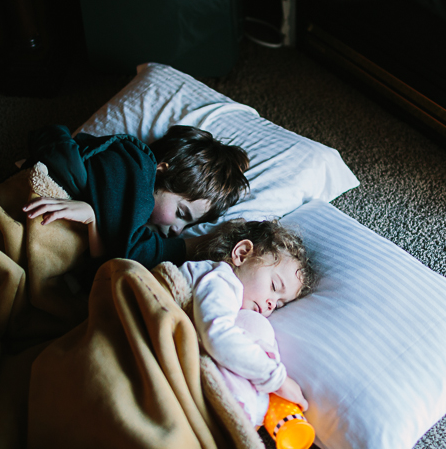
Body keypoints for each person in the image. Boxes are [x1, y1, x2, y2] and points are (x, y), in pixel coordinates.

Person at [21, 124, 250, 279]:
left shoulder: (130, 209)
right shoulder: (136, 165)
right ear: (160, 171)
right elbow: (131, 255)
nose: (178, 231)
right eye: (181, 213)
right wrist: (192, 246)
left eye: (188, 227)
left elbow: (102, 266)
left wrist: (92, 219)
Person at [180, 219, 317, 413]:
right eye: (274, 286)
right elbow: (218, 337)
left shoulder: (231, 298)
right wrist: (278, 380)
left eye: (279, 304)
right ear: (242, 254)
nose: (271, 303)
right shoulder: (219, 279)